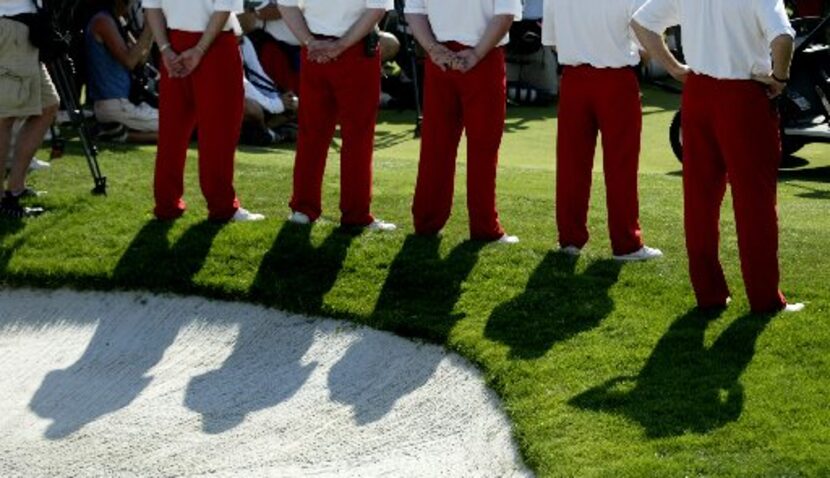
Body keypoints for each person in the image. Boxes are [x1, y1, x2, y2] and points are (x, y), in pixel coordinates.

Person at [633, 0, 804, 313]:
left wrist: (673, 68)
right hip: (743, 98)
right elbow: (783, 38)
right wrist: (780, 79)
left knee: (700, 199)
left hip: (698, 94)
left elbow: (642, 23)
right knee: (756, 202)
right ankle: (764, 298)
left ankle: (709, 293)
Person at [542, 0, 663, 261]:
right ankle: (626, 243)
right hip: (616, 80)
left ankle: (570, 240)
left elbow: (552, 40)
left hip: (575, 79)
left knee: (571, 163)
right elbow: (646, 43)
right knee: (621, 164)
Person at [404, 0, 522, 244]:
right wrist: (476, 53)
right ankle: (484, 227)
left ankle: (427, 221)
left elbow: (414, 12)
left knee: (437, 145)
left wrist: (434, 49)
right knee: (482, 147)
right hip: (481, 58)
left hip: (443, 58)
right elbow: (506, 14)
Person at [277, 0, 396, 231]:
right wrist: (337, 45)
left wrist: (311, 42)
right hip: (351, 50)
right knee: (356, 136)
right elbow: (377, 9)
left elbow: (286, 6)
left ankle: (304, 209)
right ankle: (354, 214)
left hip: (317, 48)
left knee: (313, 134)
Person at [143, 0, 264, 222]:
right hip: (214, 45)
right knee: (218, 132)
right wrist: (198, 50)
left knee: (173, 131)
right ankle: (221, 206)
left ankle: (166, 204)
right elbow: (223, 9)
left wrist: (165, 49)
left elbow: (151, 7)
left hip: (175, 42)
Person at [0, 0, 60, 218]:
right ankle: (4, 200)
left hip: (26, 29)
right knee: (4, 118)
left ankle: (15, 188)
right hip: (11, 27)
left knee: (48, 105)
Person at [85, 0, 158, 143]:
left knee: (182, 125)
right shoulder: (103, 21)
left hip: (120, 104)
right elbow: (129, 61)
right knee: (178, 128)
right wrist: (150, 27)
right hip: (114, 105)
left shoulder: (116, 20)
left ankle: (115, 130)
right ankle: (119, 135)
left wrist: (152, 30)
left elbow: (140, 59)